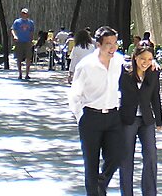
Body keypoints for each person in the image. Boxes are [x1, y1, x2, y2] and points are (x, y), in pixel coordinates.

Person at [68, 26, 125, 196]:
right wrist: (81, 117)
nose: (112, 47)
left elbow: (137, 65)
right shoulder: (86, 66)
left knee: (117, 155)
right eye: (108, 44)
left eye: (115, 43)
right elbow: (74, 95)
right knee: (91, 163)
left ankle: (101, 182)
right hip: (91, 117)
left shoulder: (119, 61)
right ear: (98, 45)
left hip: (113, 116)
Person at [119, 45, 162, 196]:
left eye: (150, 59)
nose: (146, 62)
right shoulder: (124, 71)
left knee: (151, 156)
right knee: (126, 158)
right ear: (135, 57)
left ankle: (150, 192)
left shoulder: (153, 72)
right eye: (142, 59)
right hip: (127, 118)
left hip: (146, 119)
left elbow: (155, 96)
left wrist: (159, 120)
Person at [12, 7, 36, 80]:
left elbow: (32, 32)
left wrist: (31, 40)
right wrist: (15, 36)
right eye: (23, 13)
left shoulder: (30, 23)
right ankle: (20, 74)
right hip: (19, 42)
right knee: (19, 58)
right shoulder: (17, 22)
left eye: (25, 13)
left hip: (27, 42)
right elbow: (13, 29)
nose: (24, 14)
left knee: (28, 58)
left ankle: (27, 74)